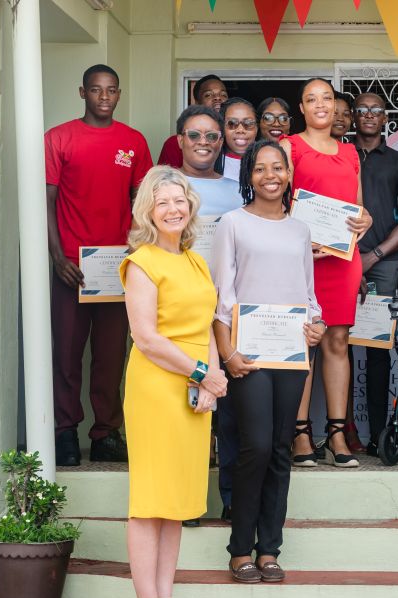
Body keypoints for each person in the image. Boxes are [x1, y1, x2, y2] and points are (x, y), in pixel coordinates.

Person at [119, 166, 227, 598]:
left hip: (191, 389)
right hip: (156, 389)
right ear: (148, 210)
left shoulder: (195, 262)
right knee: (150, 502)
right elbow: (146, 337)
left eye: (180, 200)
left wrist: (211, 376)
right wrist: (201, 373)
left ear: (191, 208)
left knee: (175, 503)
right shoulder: (141, 262)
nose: (173, 209)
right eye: (162, 202)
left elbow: (204, 325)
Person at [212, 140, 325, 584]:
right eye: (260, 169)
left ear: (289, 174)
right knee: (254, 445)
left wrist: (315, 324)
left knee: (280, 447)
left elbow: (307, 292)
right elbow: (223, 296)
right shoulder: (232, 224)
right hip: (248, 352)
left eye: (278, 167)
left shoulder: (299, 230)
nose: (270, 175)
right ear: (249, 177)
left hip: (292, 350)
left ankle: (269, 549)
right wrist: (228, 353)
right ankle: (240, 548)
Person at [44, 64, 153, 466]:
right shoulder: (59, 138)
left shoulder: (133, 141)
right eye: (95, 90)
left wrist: (137, 254)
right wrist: (56, 258)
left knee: (110, 357)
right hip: (71, 266)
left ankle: (105, 433)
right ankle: (65, 432)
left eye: (110, 90)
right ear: (82, 92)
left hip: (117, 269)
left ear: (119, 95)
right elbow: (47, 203)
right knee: (67, 355)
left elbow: (144, 206)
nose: (103, 97)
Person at [280, 78, 373, 468]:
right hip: (300, 259)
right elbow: (276, 203)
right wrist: (301, 240)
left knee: (338, 340)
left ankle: (336, 432)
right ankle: (300, 433)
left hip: (341, 259)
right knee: (303, 342)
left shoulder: (350, 152)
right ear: (301, 108)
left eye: (327, 98)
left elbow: (358, 209)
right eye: (311, 99)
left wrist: (365, 221)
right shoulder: (289, 147)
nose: (321, 105)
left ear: (336, 106)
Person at [175, 104, 243, 526]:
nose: (204, 142)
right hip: (181, 310)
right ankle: (186, 500)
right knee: (187, 409)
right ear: (180, 139)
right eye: (195, 135)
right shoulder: (164, 185)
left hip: (229, 310)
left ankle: (231, 497)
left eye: (212, 136)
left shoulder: (238, 188)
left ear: (222, 142)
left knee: (231, 412)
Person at [351, 92, 398, 455]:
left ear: (386, 118)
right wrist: (350, 260)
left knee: (376, 351)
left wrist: (371, 257)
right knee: (335, 348)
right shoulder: (340, 156)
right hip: (336, 262)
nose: (369, 115)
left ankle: (378, 435)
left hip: (383, 265)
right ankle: (340, 432)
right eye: (362, 110)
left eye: (376, 110)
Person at [157, 74, 228, 168]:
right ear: (197, 102)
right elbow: (165, 179)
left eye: (223, 95)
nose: (218, 98)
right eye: (208, 95)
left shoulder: (237, 140)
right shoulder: (176, 143)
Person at [218, 97, 258, 182]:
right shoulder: (210, 163)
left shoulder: (267, 161)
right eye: (231, 123)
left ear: (257, 128)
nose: (240, 130)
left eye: (248, 123)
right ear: (222, 128)